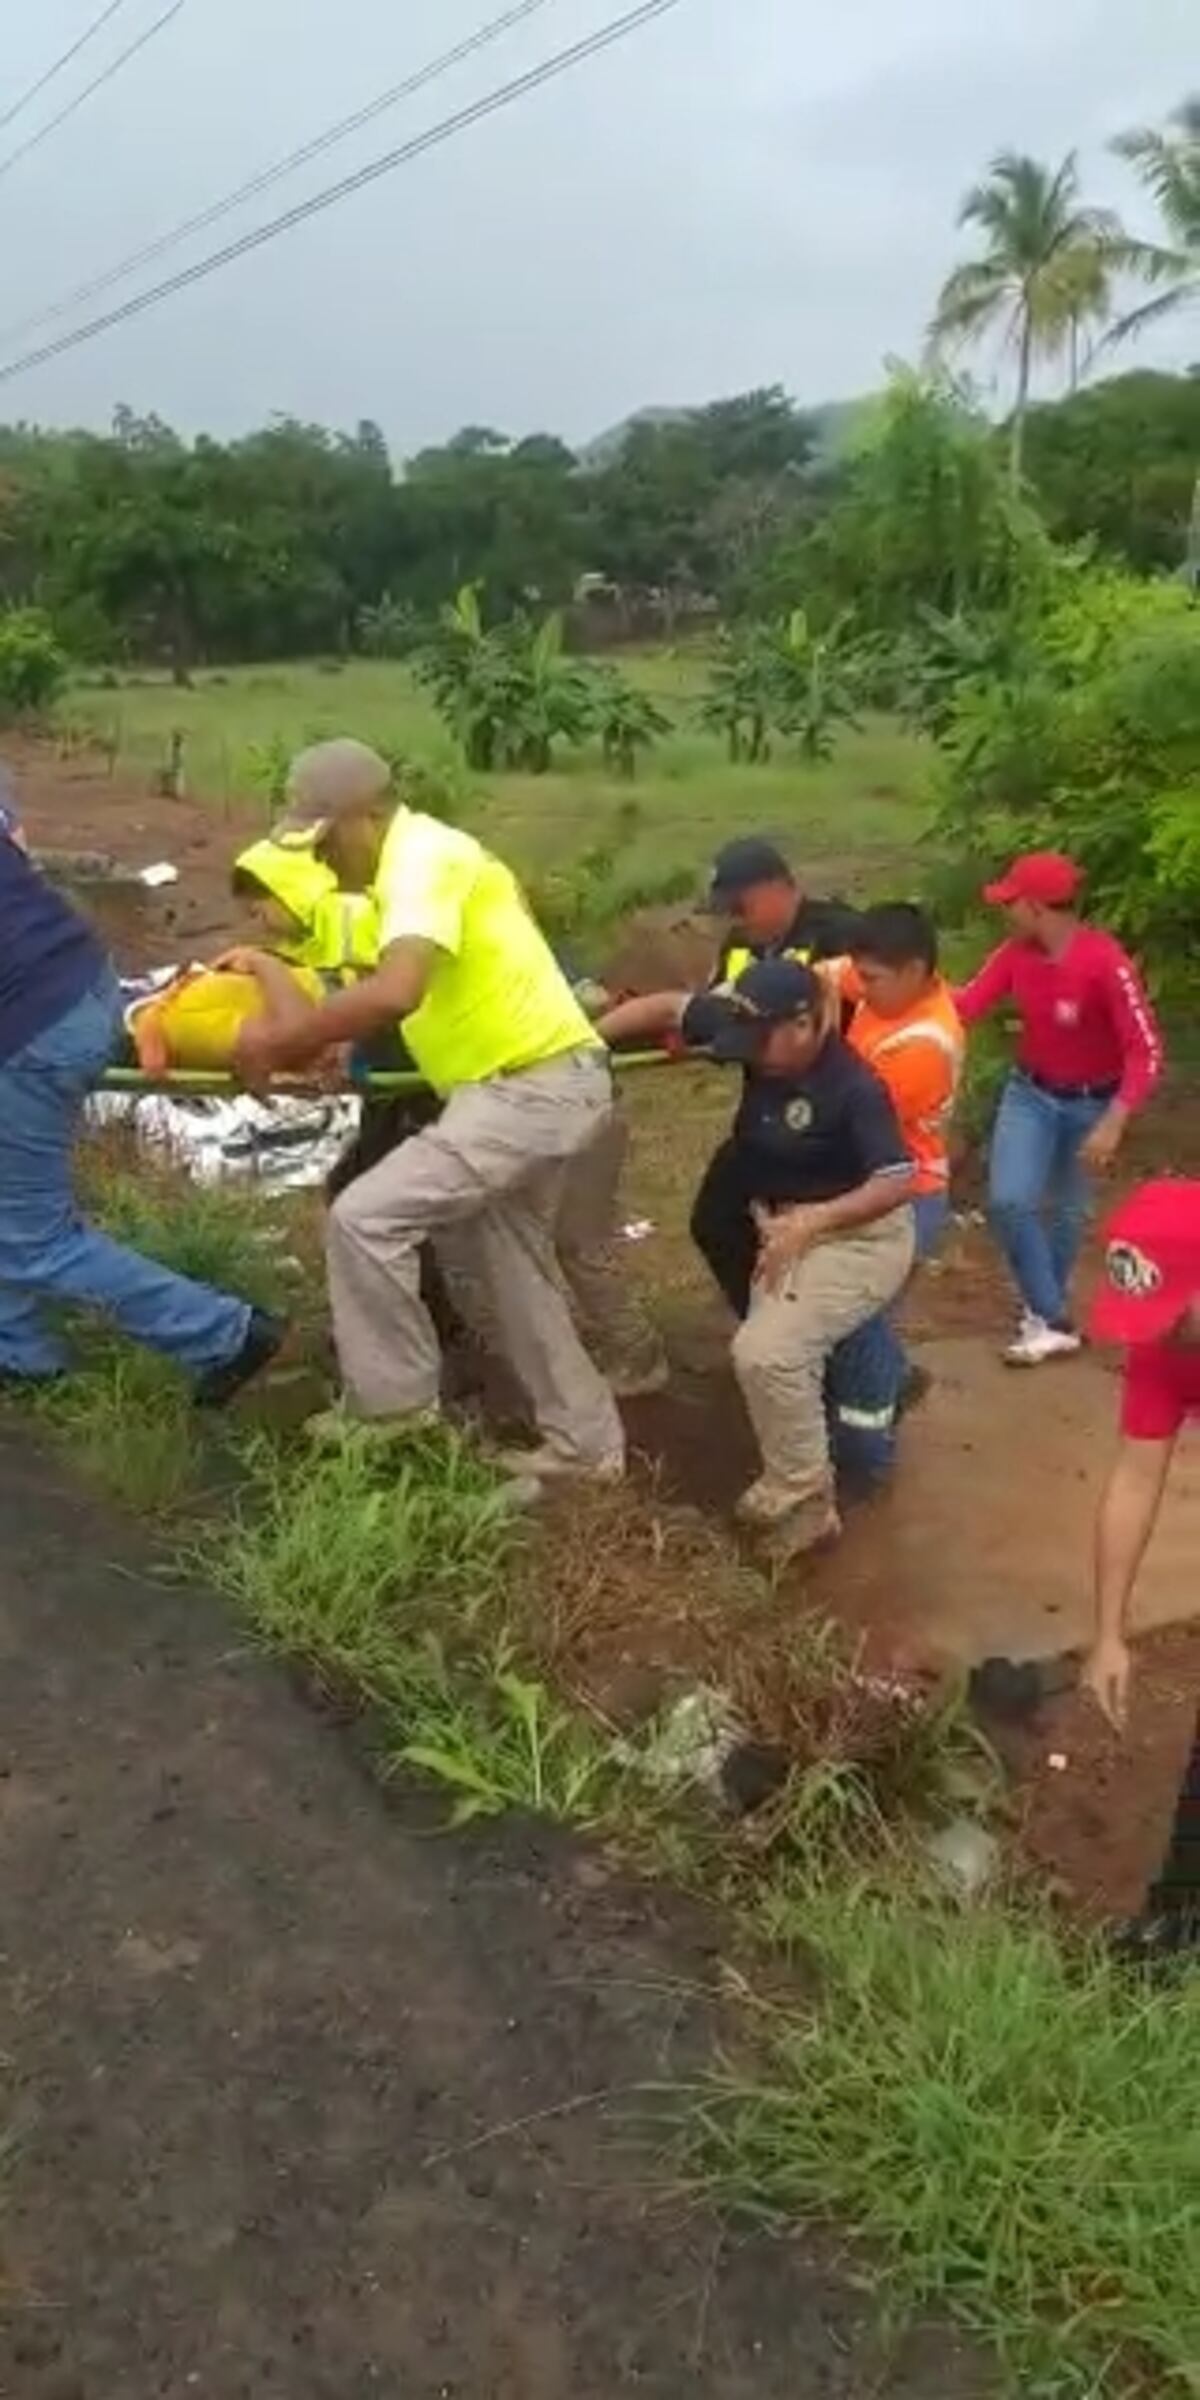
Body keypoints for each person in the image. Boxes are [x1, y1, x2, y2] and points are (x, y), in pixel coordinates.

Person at [232, 738, 625, 1485]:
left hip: (530, 1089)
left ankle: (395, 1408)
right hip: (517, 1089)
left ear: (366, 816)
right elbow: (361, 988)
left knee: (365, 1214)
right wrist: (311, 1031)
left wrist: (287, 1040)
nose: (321, 859)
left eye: (325, 841)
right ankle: (586, 1445)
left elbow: (396, 990)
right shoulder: (390, 881)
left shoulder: (425, 859)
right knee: (510, 1266)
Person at [606, 956, 916, 1560]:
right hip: (777, 1216)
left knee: (766, 1355)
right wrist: (589, 1043)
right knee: (765, 1331)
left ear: (804, 1025)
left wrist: (812, 1221)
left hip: (853, 1234)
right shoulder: (756, 1027)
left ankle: (806, 1496)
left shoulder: (852, 1088)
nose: (751, 1055)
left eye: (761, 1042)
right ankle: (797, 1395)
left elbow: (896, 1179)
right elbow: (671, 1006)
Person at [0, 794, 281, 1402]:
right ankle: (21, 1353)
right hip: (81, 978)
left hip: (32, 1026)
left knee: (34, 1239)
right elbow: (14, 838)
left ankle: (227, 1334)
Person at [600, 839, 864, 1317]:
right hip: (764, 1111)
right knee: (717, 1223)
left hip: (831, 1112)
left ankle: (843, 1363)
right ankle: (767, 1324)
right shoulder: (741, 945)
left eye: (741, 905)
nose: (735, 919)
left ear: (779, 888)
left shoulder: (840, 934)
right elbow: (714, 1006)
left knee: (822, 1245)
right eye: (727, 910)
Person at [957, 852, 1163, 1367]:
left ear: (1036, 907)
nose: (1005, 912)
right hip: (1030, 1092)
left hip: (1093, 1103)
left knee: (1068, 1213)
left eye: (1011, 902)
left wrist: (1114, 1121)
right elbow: (967, 1005)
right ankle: (1054, 1316)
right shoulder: (1014, 954)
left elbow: (1146, 1050)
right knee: (1008, 1201)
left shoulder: (1105, 964)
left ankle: (1040, 1318)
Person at [1082, 1180, 1200, 1964]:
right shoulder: (1170, 1346)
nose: (1160, 1340)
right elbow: (1134, 1477)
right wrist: (1107, 1635)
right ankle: (1179, 1917)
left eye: (1175, 1319)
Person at [823, 902, 964, 1485]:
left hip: (906, 1196)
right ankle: (886, 1391)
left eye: (874, 979)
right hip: (879, 1182)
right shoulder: (888, 983)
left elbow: (849, 1123)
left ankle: (867, 1457)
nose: (865, 987)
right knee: (861, 1320)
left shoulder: (923, 1045)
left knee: (863, 1324)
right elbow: (826, 975)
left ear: (913, 970)